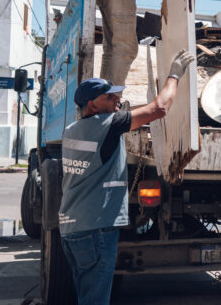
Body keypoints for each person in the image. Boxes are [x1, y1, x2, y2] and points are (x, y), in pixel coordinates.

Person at [58, 49, 194, 305]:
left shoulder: (72, 130)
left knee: (86, 296)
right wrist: (174, 74)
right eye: (109, 97)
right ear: (92, 105)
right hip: (96, 230)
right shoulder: (106, 125)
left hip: (72, 229)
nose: (116, 99)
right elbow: (159, 108)